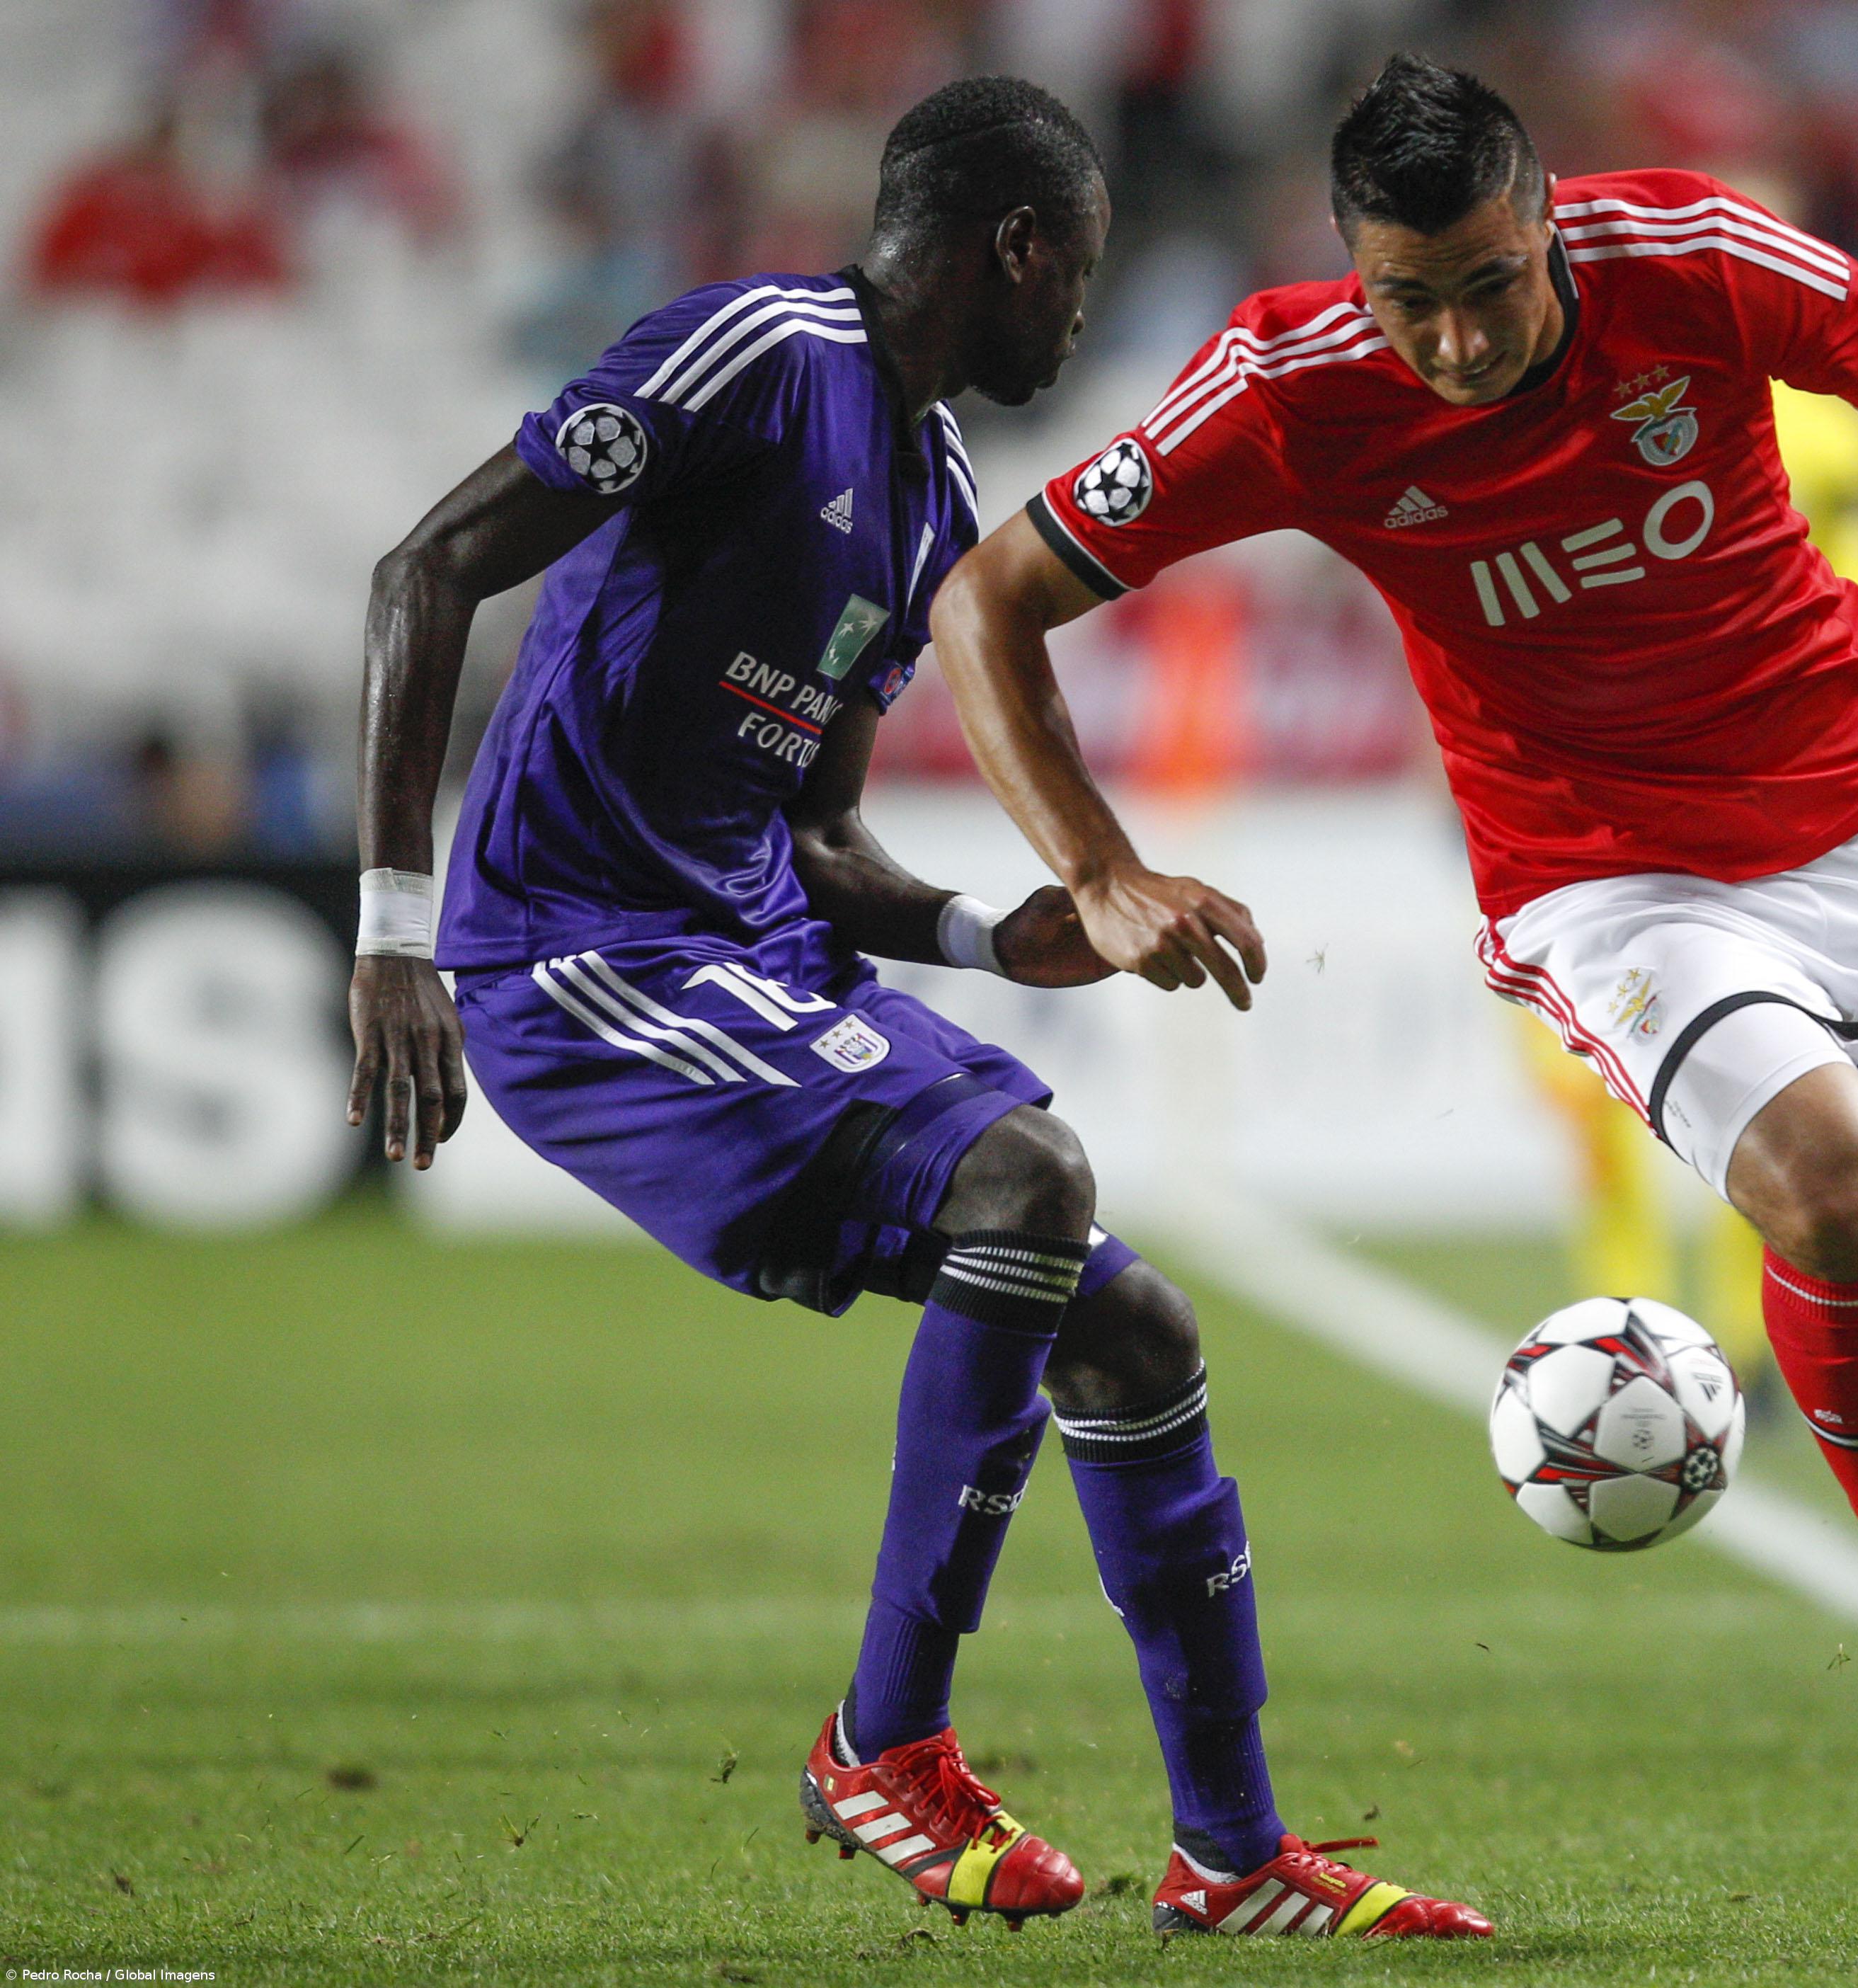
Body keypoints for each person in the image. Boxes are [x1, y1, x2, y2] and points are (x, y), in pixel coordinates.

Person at [343, 76, 1485, 1942]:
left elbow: (816, 830)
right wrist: (395, 928)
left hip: (748, 951)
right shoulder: (754, 353)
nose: (1082, 317)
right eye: (1081, 274)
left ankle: (1233, 1859)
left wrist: (983, 926)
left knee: (1135, 1334)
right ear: (1017, 245)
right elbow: (430, 568)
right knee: (1024, 1181)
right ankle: (884, 1744)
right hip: (584, 956)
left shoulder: (931, 492)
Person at [929, 54, 1858, 1827]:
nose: (1462, 343)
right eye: (1413, 300)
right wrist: (1099, 869)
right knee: (1839, 1189)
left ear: (1549, 222)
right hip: (1605, 873)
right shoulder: (1288, 387)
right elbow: (988, 599)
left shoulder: (1701, 262)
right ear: (1356, 267)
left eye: (1491, 286)